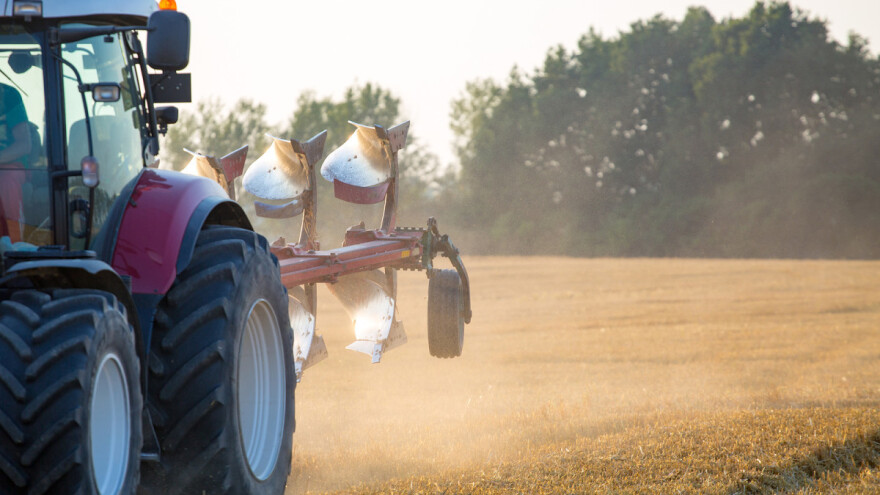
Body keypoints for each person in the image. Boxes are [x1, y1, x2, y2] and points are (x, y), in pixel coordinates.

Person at [0, 82, 32, 243]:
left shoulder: (8, 95)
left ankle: (13, 247)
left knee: (5, 180)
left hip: (9, 165)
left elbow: (24, 144)